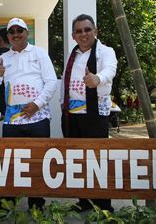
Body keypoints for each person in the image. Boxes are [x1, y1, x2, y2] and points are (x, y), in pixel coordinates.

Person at [0, 17, 57, 209]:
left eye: (19, 30)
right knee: (12, 162)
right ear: (8, 36)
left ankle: (36, 201)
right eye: (12, 32)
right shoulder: (3, 59)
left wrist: (37, 104)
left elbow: (51, 82)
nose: (16, 34)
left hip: (37, 117)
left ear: (26, 33)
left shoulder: (39, 53)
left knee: (38, 161)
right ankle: (11, 199)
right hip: (13, 120)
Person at [61, 14, 117, 212]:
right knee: (78, 159)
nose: (83, 34)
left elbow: (110, 70)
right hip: (73, 115)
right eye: (78, 31)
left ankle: (103, 205)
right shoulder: (73, 54)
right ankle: (84, 200)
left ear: (95, 31)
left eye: (87, 29)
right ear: (73, 35)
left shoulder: (106, 52)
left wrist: (98, 78)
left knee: (98, 159)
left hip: (95, 115)